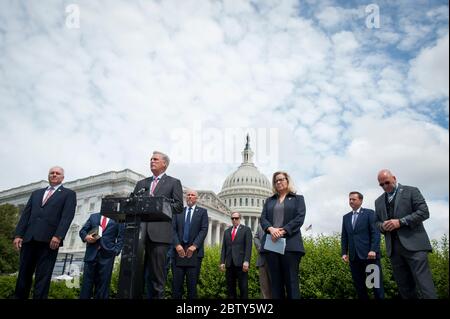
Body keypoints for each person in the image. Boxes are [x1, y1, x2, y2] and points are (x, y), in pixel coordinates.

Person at [13, 166, 77, 299]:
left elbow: (67, 217)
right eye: (51, 173)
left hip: (49, 241)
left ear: (62, 178)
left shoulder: (68, 194)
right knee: (23, 276)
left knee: (43, 278)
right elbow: (26, 215)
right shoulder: (36, 193)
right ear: (48, 176)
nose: (54, 175)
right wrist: (19, 235)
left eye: (57, 173)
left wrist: (58, 236)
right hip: (29, 239)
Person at [374, 169, 437, 299]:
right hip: (394, 250)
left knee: (424, 286)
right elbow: (376, 223)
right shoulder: (378, 201)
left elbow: (424, 212)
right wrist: (383, 226)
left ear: (394, 178)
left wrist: (401, 222)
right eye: (381, 185)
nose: (385, 186)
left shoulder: (411, 191)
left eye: (387, 182)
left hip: (415, 247)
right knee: (405, 288)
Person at [134, 151, 183, 299]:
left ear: (164, 164)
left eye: (155, 159)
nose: (151, 161)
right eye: (150, 159)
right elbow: (132, 204)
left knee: (156, 277)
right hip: (139, 235)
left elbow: (179, 206)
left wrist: (159, 204)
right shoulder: (141, 184)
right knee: (136, 276)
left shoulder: (174, 182)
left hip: (159, 236)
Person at [260, 171, 305, 299]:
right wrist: (271, 229)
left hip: (290, 244)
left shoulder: (298, 199)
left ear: (287, 180)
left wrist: (282, 231)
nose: (278, 182)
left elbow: (299, 218)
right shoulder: (269, 201)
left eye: (281, 179)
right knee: (275, 284)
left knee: (291, 282)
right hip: (272, 244)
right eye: (276, 181)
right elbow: (263, 218)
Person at [341, 191, 384, 299]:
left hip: (370, 257)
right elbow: (344, 237)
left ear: (360, 200)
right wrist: (344, 253)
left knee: (375, 285)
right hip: (354, 258)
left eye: (353, 199)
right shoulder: (346, 217)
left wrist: (373, 249)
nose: (351, 201)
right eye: (350, 199)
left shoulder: (370, 213)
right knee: (360, 287)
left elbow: (375, 233)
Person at [79, 212, 125, 299]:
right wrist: (86, 237)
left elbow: (121, 238)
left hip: (107, 256)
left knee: (103, 286)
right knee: (86, 284)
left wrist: (115, 251)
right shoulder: (94, 216)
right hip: (91, 254)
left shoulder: (119, 218)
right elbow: (82, 231)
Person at [172, 189, 208, 299]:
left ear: (196, 198)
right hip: (178, 253)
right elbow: (172, 229)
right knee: (176, 287)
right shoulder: (178, 212)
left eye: (192, 195)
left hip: (194, 254)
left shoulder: (202, 212)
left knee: (192, 288)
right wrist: (177, 245)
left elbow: (204, 230)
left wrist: (194, 246)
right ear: (185, 197)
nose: (190, 197)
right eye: (188, 195)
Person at [220, 212, 252, 299]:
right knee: (230, 290)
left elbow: (248, 247)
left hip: (241, 264)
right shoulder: (227, 231)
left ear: (240, 219)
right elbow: (224, 248)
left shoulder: (246, 230)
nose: (234, 220)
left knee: (243, 288)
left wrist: (246, 261)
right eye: (232, 218)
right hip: (229, 264)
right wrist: (222, 262)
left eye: (236, 218)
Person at [254, 224, 272, 299]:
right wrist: (260, 247)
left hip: (275, 259)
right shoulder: (260, 225)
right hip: (262, 260)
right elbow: (256, 237)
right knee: (264, 288)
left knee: (277, 287)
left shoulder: (278, 222)